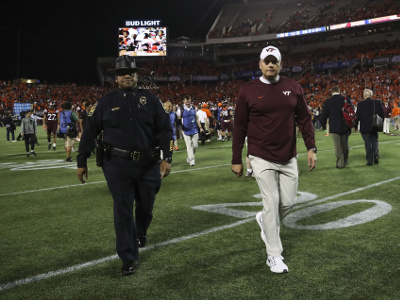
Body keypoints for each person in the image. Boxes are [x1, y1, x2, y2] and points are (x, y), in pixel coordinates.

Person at [76, 55, 173, 276]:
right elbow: (89, 133)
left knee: (146, 206)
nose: (126, 76)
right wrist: (81, 161)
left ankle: (140, 232)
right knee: (122, 209)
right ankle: (128, 257)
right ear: (115, 78)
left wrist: (167, 157)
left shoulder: (151, 99)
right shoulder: (105, 102)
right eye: (122, 73)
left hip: (149, 164)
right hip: (117, 164)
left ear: (137, 75)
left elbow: (165, 130)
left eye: (130, 72)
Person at [231, 46, 317, 274]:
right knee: (271, 201)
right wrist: (236, 157)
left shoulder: (292, 87)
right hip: (260, 154)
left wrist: (311, 146)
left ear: (281, 64)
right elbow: (239, 126)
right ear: (259, 64)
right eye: (266, 61)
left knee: (288, 202)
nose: (270, 65)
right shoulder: (247, 90)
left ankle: (264, 220)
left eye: (274, 61)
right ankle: (274, 255)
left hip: (288, 155)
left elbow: (305, 119)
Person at [319, 86, 353, 169]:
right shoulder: (346, 99)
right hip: (345, 125)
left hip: (334, 126)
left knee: (338, 146)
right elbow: (352, 112)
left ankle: (340, 163)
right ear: (339, 91)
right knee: (345, 145)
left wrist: (323, 126)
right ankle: (345, 160)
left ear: (332, 92)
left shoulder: (328, 102)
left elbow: (323, 116)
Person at [355, 89, 384, 166]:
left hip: (365, 127)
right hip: (374, 126)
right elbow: (382, 114)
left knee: (368, 143)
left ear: (364, 95)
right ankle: (376, 154)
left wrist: (355, 126)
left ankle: (370, 161)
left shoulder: (360, 104)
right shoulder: (377, 102)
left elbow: (357, 116)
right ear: (371, 95)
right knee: (375, 141)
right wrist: (380, 123)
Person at [181, 95, 202, 166]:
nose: (187, 103)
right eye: (186, 102)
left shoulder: (194, 108)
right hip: (186, 130)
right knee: (189, 145)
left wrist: (200, 127)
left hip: (194, 129)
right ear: (183, 101)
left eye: (189, 102)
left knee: (195, 145)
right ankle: (192, 160)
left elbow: (196, 118)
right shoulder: (180, 109)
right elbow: (178, 119)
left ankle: (189, 157)